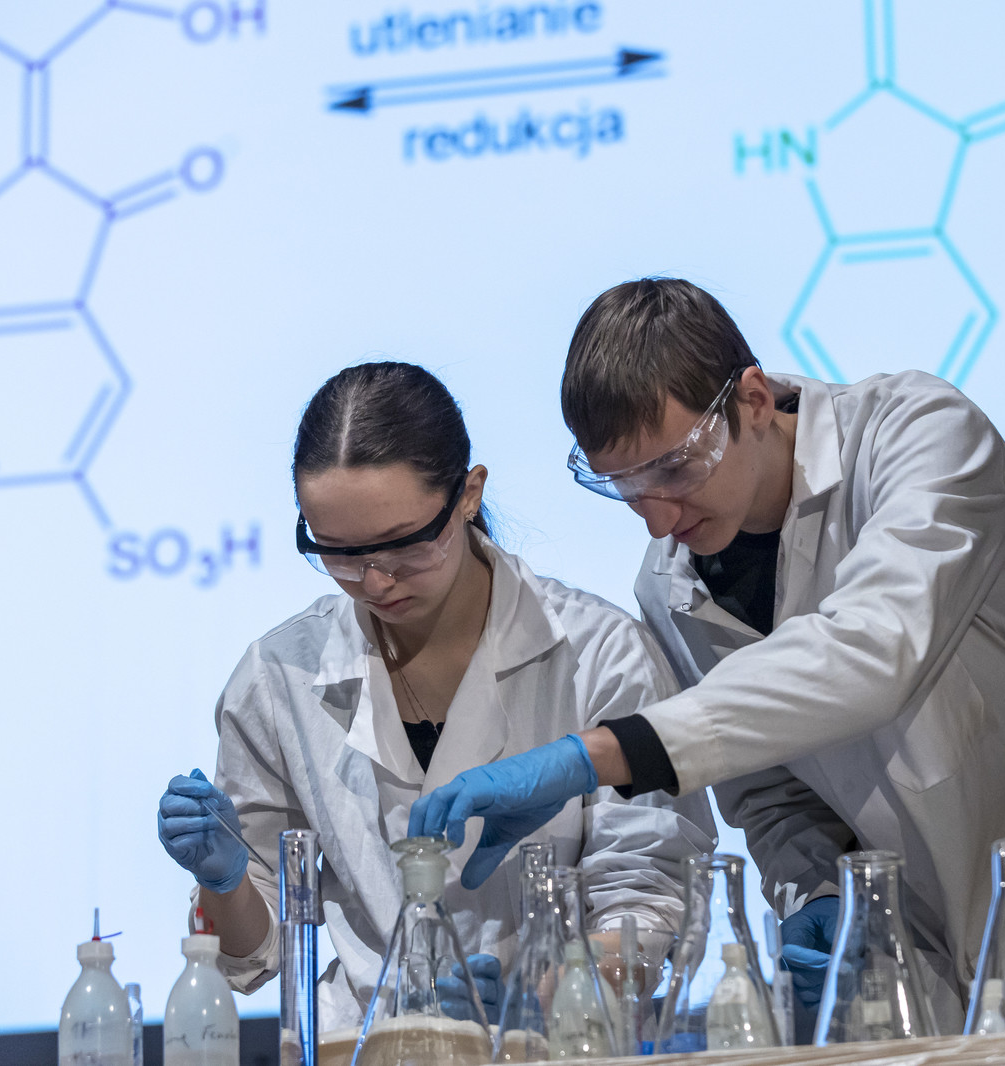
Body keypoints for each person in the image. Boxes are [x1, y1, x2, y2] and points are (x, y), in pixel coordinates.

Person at [411, 278, 1005, 1027]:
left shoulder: (917, 436)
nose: (659, 518)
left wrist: (597, 754)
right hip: (920, 956)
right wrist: (816, 888)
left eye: (675, 471)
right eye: (626, 490)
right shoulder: (668, 585)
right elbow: (770, 790)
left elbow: (873, 649)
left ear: (751, 400)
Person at [156, 361, 715, 1030]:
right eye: (338, 552)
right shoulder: (280, 676)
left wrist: (548, 999)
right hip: (364, 1041)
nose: (374, 581)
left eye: (402, 545)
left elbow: (651, 894)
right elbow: (255, 955)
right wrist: (223, 882)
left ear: (469, 494)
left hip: (559, 1044)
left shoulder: (598, 653)